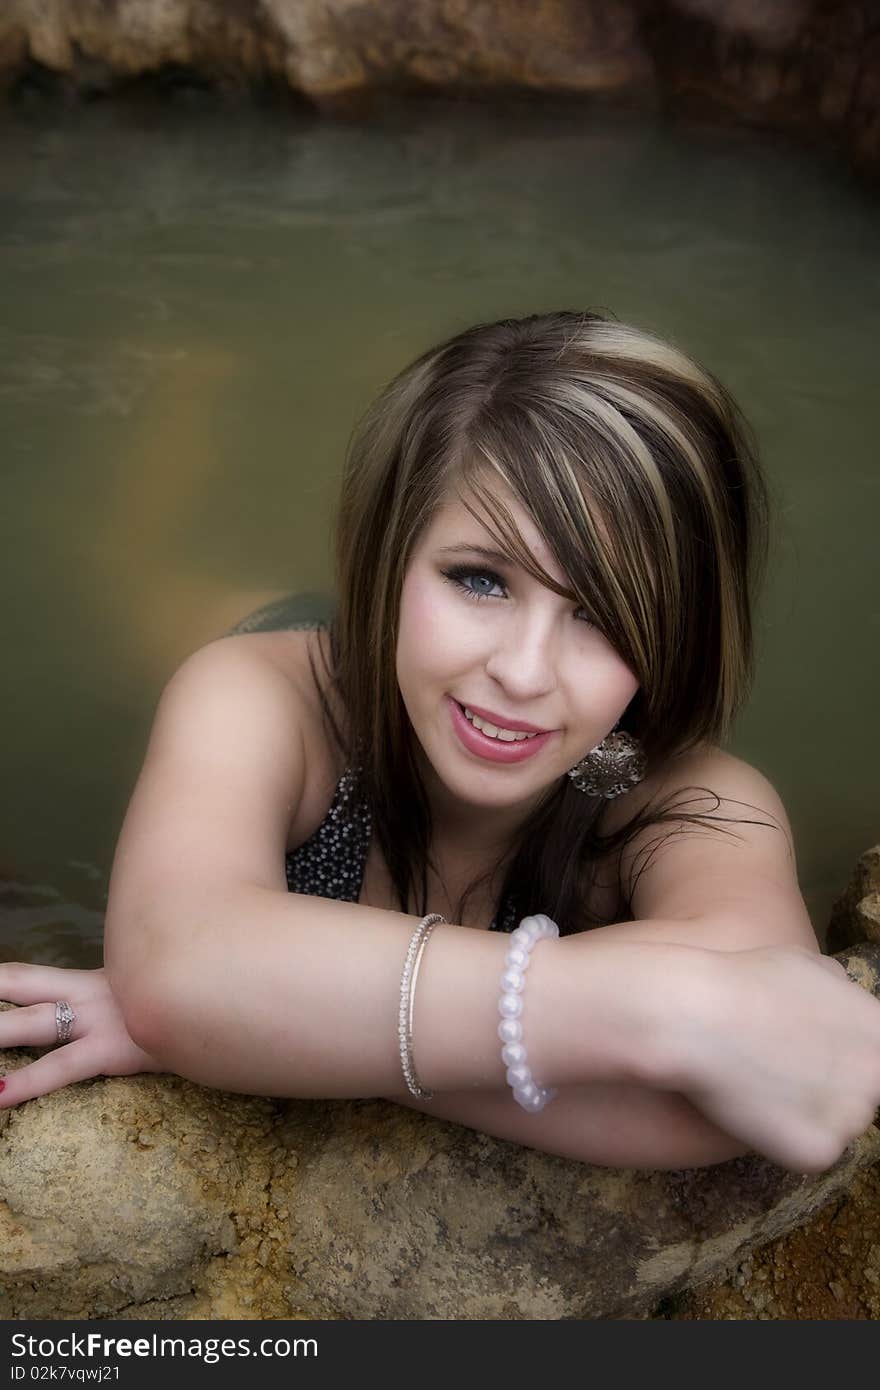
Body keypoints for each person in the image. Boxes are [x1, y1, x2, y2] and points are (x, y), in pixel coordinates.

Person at [1, 309, 878, 1176]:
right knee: (135, 576)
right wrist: (661, 1010)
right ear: (390, 551)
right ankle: (188, 388)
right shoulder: (269, 697)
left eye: (603, 614)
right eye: (480, 579)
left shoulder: (696, 807)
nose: (526, 673)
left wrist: (249, 1028)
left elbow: (773, 1085)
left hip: (425, 678)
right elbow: (182, 966)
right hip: (351, 669)